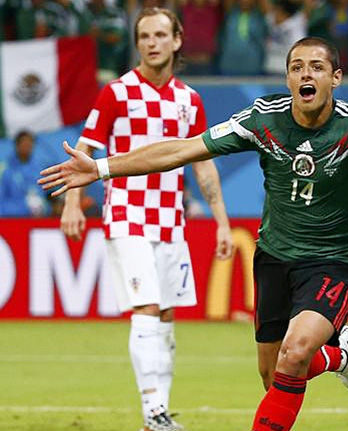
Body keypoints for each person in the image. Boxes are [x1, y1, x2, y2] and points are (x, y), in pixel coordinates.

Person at [40, 37, 348, 431]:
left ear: (336, 78)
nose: (305, 74)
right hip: (274, 257)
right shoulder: (262, 120)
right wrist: (100, 168)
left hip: (335, 259)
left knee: (294, 355)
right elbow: (181, 150)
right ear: (289, 77)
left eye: (316, 67)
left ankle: (323, 353)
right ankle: (339, 356)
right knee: (273, 373)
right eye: (296, 67)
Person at [56, 7, 233, 431]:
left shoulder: (190, 100)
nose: (152, 43)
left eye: (160, 35)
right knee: (148, 307)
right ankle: (152, 411)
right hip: (127, 213)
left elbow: (203, 164)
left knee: (167, 316)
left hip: (171, 219)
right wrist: (72, 203)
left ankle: (160, 414)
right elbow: (85, 149)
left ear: (177, 40)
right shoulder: (116, 93)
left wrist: (222, 221)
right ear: (137, 44)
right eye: (144, 36)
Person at [0, 130, 47, 217]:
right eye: (24, 144)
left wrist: (44, 207)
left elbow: (44, 197)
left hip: (37, 218)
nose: (27, 147)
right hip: (11, 218)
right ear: (17, 145)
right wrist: (25, 207)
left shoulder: (39, 168)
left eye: (29, 144)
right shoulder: (6, 168)